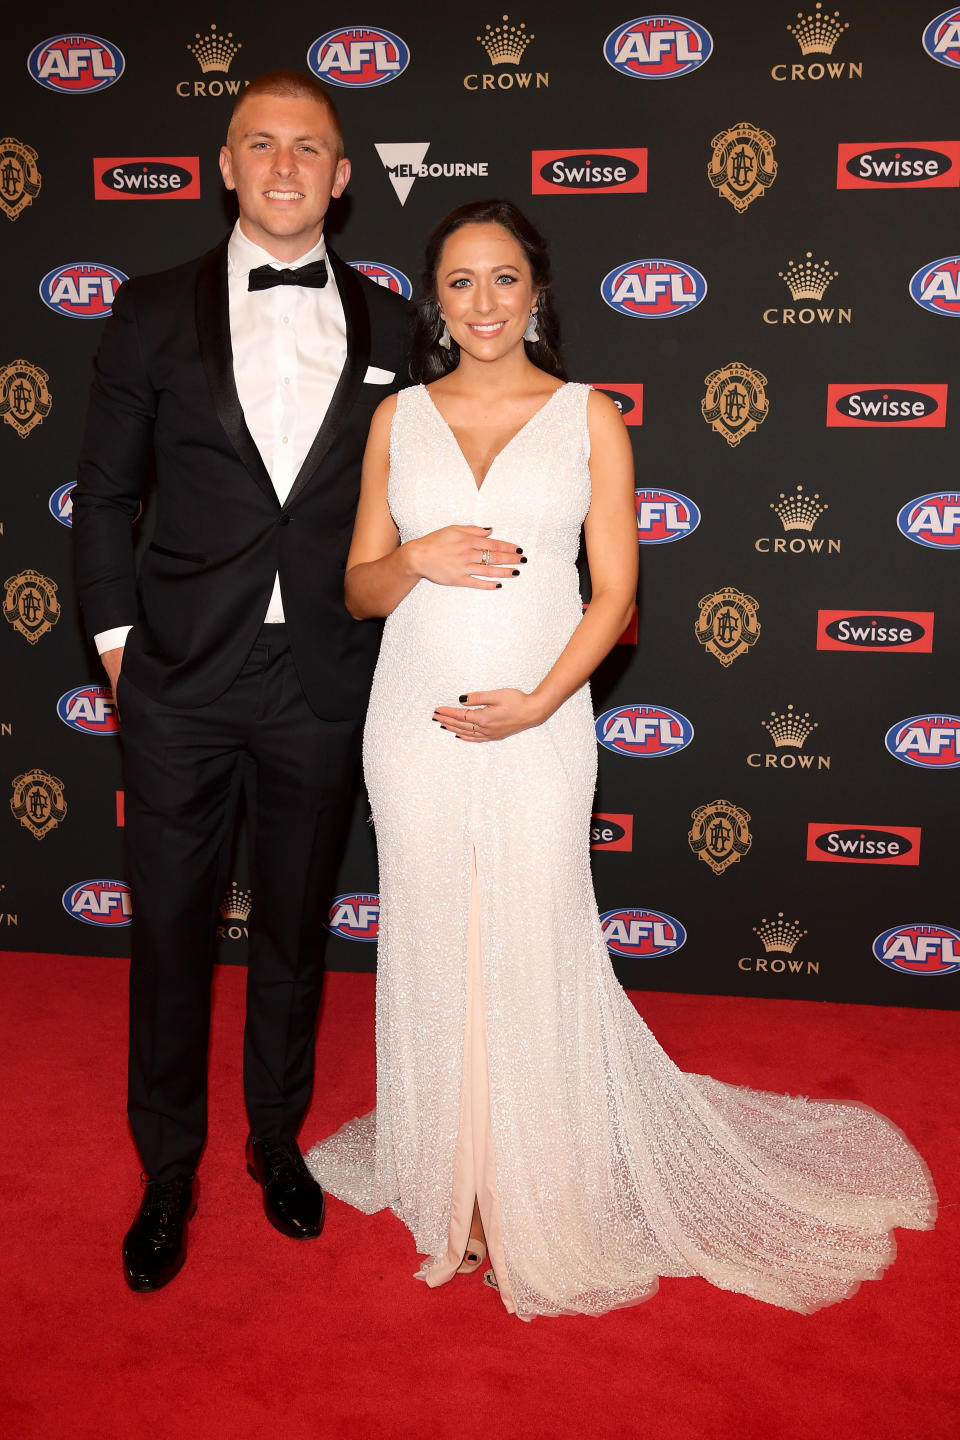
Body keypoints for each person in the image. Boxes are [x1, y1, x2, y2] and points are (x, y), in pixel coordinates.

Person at [306, 199, 936, 1319]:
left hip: (543, 724)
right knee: (437, 935)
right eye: (461, 282)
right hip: (413, 723)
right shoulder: (398, 421)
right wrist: (417, 553)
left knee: (531, 934)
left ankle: (528, 1177)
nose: (486, 301)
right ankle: (456, 1181)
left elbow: (618, 595)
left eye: (506, 279)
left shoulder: (588, 417)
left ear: (536, 294)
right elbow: (358, 588)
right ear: (433, 302)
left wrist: (543, 703)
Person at [73, 71, 413, 1292]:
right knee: (168, 936)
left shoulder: (387, 320)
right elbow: (104, 496)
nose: (283, 165)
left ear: (340, 177)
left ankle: (277, 1143)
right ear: (226, 166)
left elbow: (412, 505)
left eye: (308, 148)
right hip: (177, 676)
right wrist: (120, 653)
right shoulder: (151, 309)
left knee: (292, 930)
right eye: (259, 144)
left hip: (320, 676)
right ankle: (169, 1169)